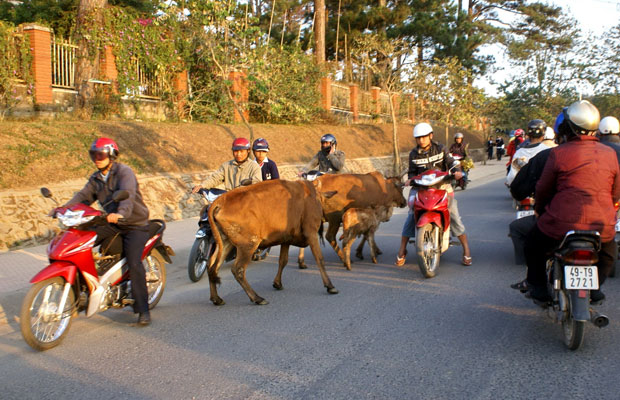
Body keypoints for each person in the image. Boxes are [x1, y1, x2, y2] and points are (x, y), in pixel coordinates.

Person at [524, 100, 620, 304]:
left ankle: (539, 289)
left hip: (560, 224)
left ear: (568, 127)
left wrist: (540, 210)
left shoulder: (559, 153)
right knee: (609, 253)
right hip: (601, 225)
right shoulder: (610, 154)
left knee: (532, 243)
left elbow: (543, 189)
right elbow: (615, 192)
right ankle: (595, 287)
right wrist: (606, 210)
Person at [59, 138, 153, 326]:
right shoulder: (96, 178)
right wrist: (63, 209)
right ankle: (80, 294)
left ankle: (143, 310)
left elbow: (128, 194)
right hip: (111, 222)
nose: (97, 158)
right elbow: (83, 196)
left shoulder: (124, 172)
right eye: (93, 154)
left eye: (101, 154)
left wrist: (121, 214)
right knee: (79, 243)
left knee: (134, 262)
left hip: (134, 223)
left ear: (111, 155)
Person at [395, 122, 472, 267]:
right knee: (411, 212)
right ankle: (402, 249)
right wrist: (410, 180)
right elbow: (412, 172)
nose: (421, 140)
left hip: (442, 186)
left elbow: (451, 162)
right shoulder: (413, 154)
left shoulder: (440, 148)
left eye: (424, 137)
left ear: (430, 136)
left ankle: (466, 250)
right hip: (421, 188)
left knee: (453, 213)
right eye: (418, 138)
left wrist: (456, 171)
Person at [192, 138, 262, 193]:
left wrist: (249, 183)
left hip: (246, 201)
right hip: (229, 198)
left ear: (248, 151)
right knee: (207, 209)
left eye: (242, 151)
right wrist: (202, 185)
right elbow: (215, 178)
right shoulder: (226, 165)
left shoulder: (254, 167)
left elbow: (257, 185)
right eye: (236, 151)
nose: (238, 154)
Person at [251, 138, 278, 261]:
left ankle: (263, 243)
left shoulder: (271, 165)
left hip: (267, 198)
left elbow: (276, 183)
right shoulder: (250, 164)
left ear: (267, 152)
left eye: (263, 151)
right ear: (253, 152)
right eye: (257, 151)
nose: (260, 154)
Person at [505, 119, 555, 186]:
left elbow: (512, 177)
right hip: (542, 191)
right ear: (543, 133)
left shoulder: (520, 152)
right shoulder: (548, 151)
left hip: (524, 191)